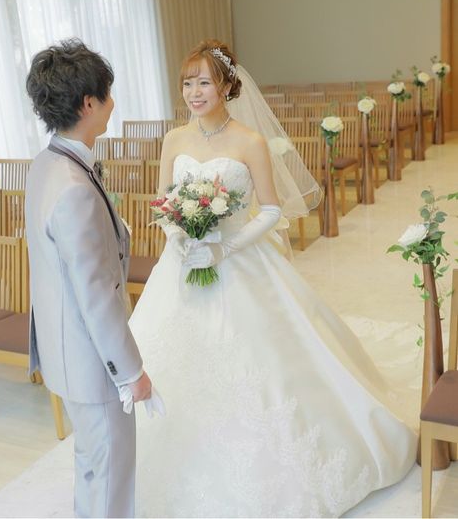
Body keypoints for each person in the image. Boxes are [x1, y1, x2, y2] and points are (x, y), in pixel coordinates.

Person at [129, 40, 418, 517]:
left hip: (238, 262)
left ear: (226, 86)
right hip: (181, 265)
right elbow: (163, 200)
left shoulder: (250, 141)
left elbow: (269, 210)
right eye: (187, 83)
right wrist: (178, 236)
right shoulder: (174, 139)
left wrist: (223, 247)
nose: (194, 92)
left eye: (204, 82)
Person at [24, 38, 152, 518]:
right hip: (91, 361)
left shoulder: (47, 163)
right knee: (112, 475)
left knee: (93, 465)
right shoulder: (74, 187)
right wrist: (131, 373)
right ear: (88, 104)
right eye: (108, 94)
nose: (113, 104)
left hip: (65, 352)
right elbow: (95, 295)